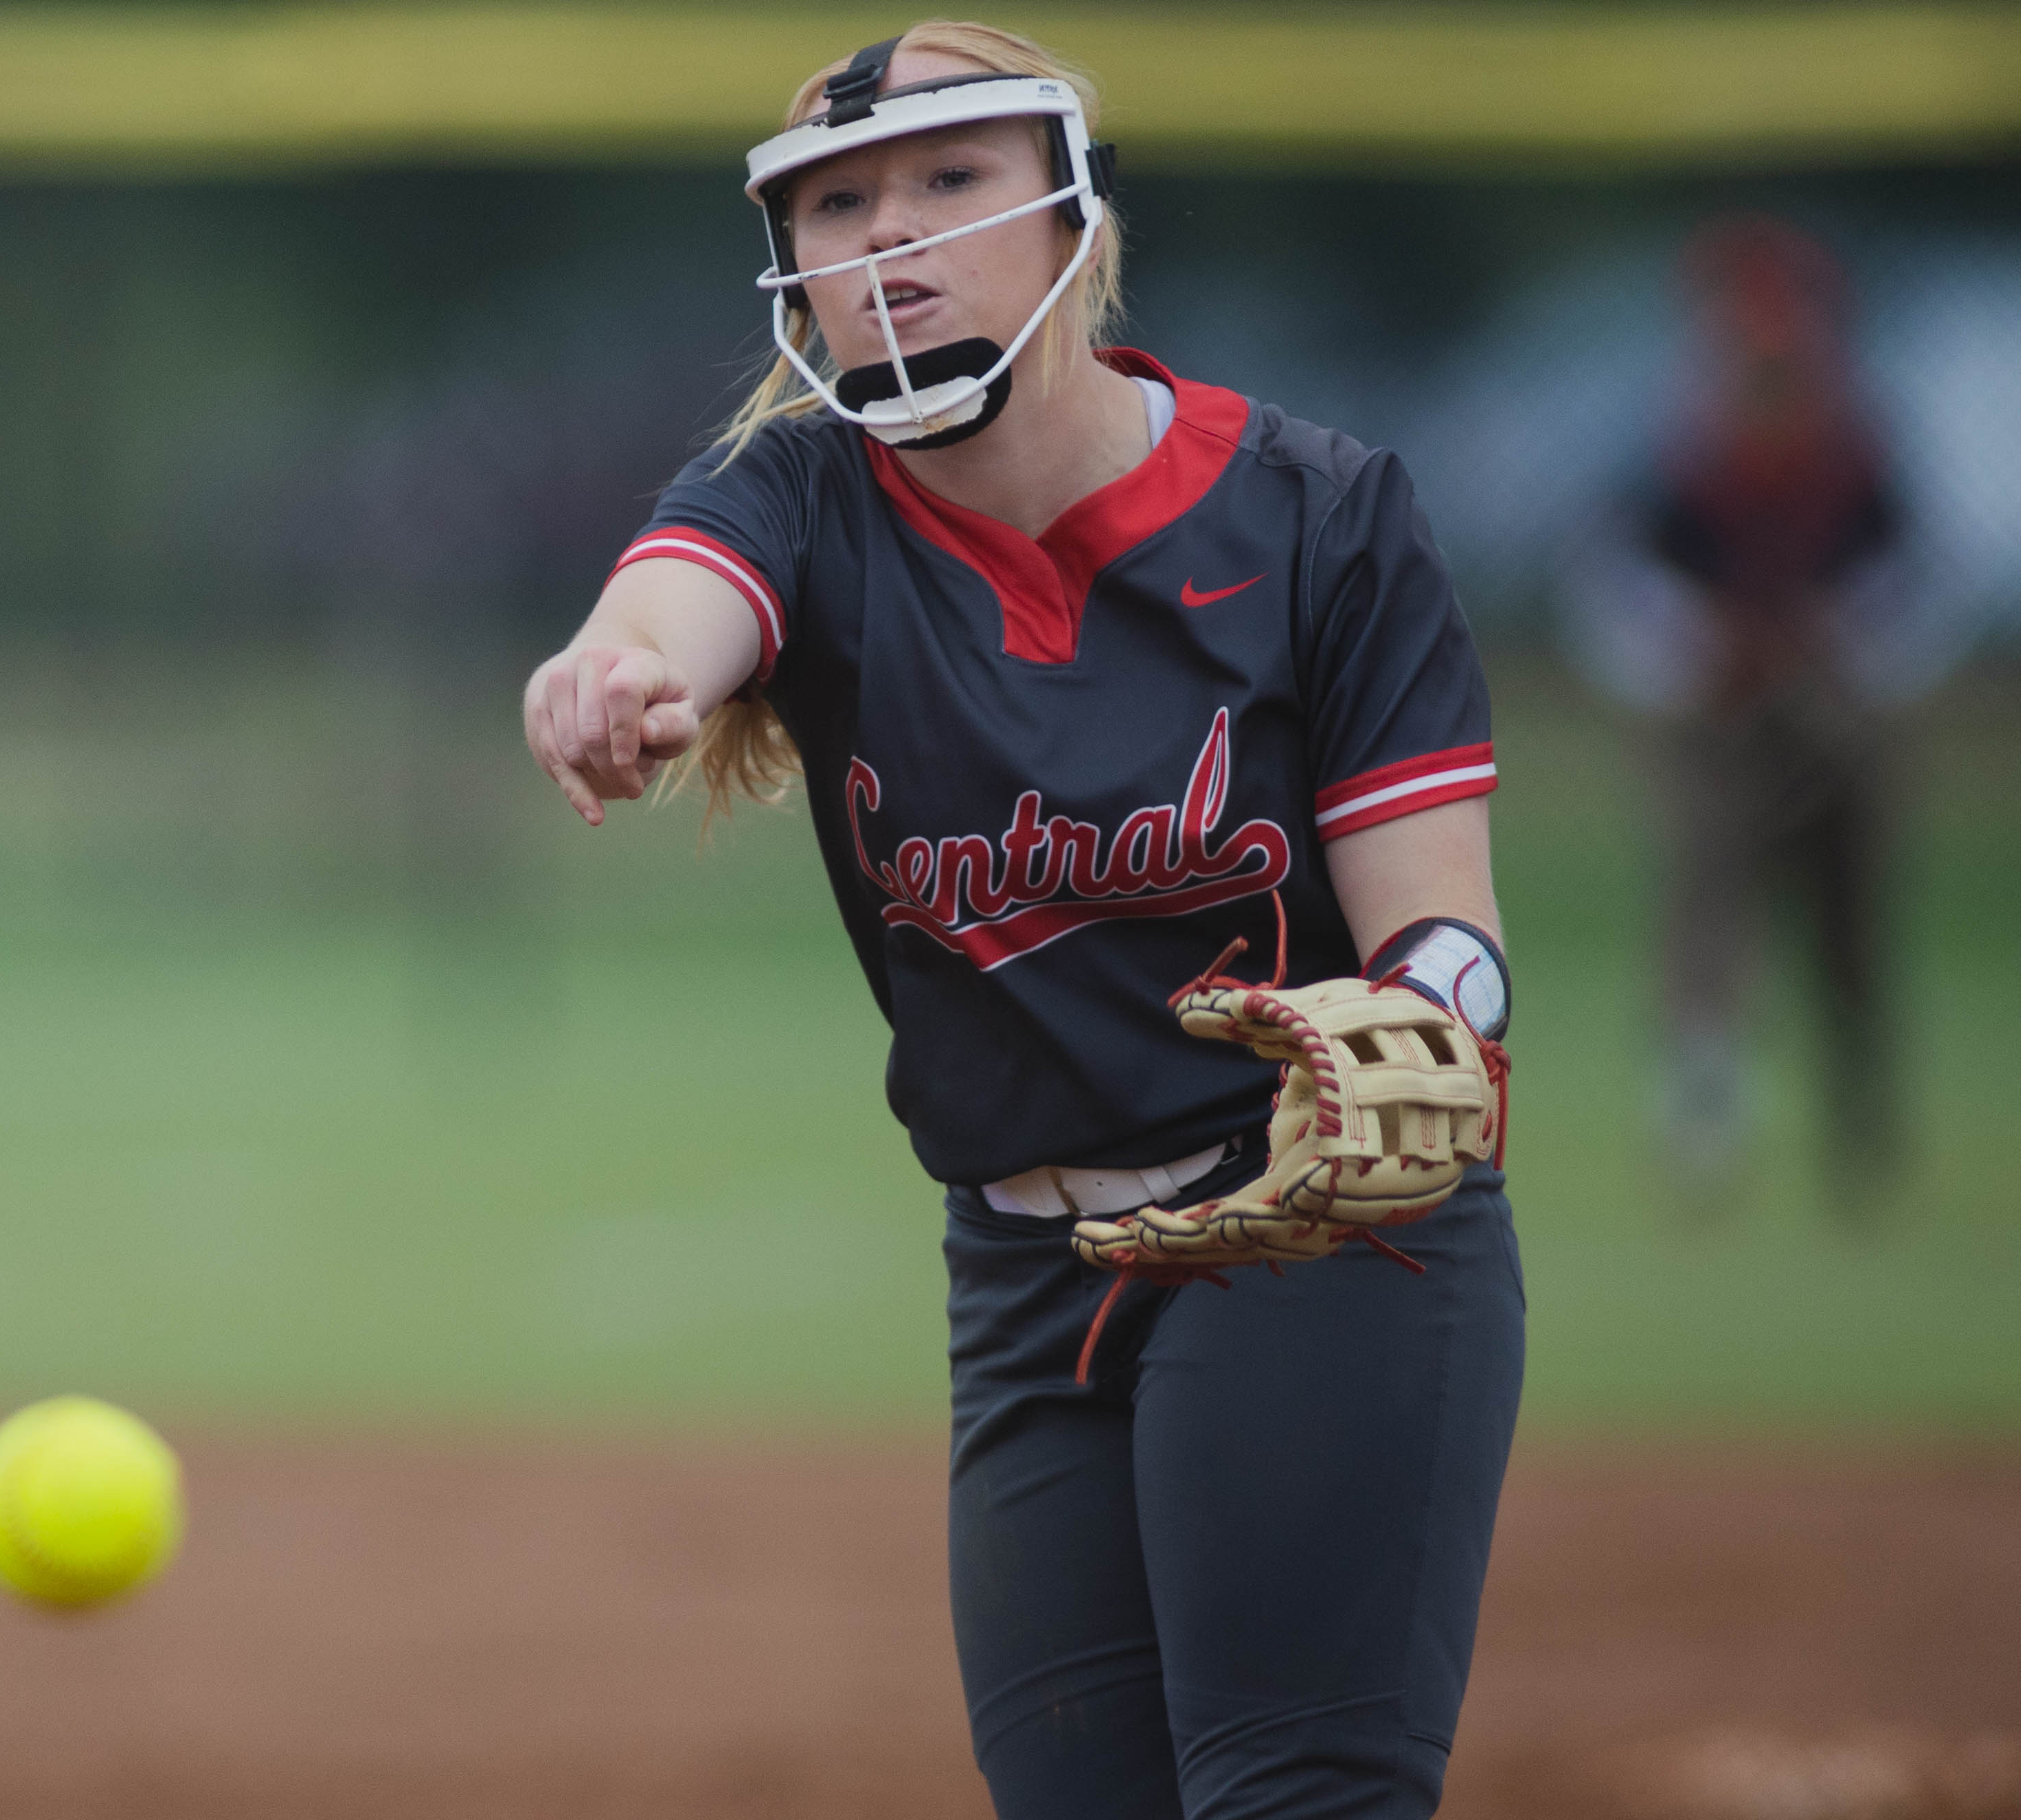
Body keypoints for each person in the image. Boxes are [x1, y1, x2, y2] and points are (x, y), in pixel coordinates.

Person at [520, 21, 1523, 1819]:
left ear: (1071, 202)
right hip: (1021, 1279)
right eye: (837, 206)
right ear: (793, 268)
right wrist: (605, 680)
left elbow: (1444, 931)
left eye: (947, 181)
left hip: (1312, 1235)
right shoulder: (803, 501)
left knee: (1295, 1796)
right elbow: (672, 609)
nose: (888, 238)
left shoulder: (1319, 517)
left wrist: (1423, 1036)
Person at [1568, 216, 1909, 1224]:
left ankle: (1860, 1133)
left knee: (1847, 928)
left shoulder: (1855, 452)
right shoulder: (1680, 456)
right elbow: (1612, 584)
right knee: (1707, 920)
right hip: (1716, 726)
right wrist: (1698, 653)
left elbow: (1917, 579)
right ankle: (1705, 1133)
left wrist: (1838, 646)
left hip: (1831, 719)